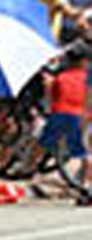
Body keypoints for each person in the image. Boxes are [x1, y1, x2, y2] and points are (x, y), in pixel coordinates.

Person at [40, 43, 90, 200]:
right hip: (80, 115)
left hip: (60, 113)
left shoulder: (61, 77)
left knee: (42, 143)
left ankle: (29, 171)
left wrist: (48, 86)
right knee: (83, 151)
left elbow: (51, 98)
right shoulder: (86, 78)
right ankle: (86, 184)